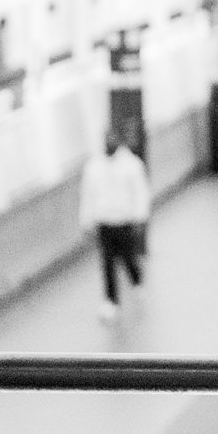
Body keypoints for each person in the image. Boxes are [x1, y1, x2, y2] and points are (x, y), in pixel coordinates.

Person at [80, 127, 151, 319]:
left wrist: (139, 218)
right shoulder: (94, 166)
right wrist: (87, 221)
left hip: (124, 221)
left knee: (128, 258)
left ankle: (137, 281)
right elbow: (88, 195)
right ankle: (111, 301)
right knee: (107, 262)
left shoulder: (131, 165)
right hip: (104, 222)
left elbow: (140, 192)